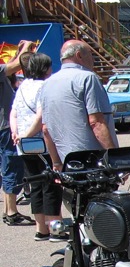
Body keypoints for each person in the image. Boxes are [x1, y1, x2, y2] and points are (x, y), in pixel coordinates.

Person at [40, 40, 117, 172]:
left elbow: (46, 130)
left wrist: (56, 162)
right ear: (79, 55)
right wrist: (116, 160)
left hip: (67, 163)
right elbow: (96, 123)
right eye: (91, 55)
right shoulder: (88, 78)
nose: (93, 60)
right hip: (93, 162)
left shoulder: (47, 84)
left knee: (71, 193)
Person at [10, 51, 61, 240]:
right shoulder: (45, 86)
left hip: (24, 145)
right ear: (45, 68)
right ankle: (56, 228)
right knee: (52, 185)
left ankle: (41, 229)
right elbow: (41, 115)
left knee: (36, 184)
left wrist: (17, 134)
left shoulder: (22, 86)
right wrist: (28, 134)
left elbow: (13, 113)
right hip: (43, 142)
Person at [0, 39, 33, 227]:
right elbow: (14, 66)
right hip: (5, 126)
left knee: (6, 167)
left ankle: (8, 210)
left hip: (3, 125)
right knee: (12, 165)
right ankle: (12, 211)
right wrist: (27, 48)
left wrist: (20, 50)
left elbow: (10, 65)